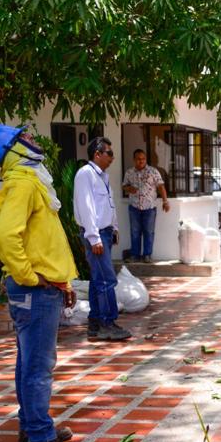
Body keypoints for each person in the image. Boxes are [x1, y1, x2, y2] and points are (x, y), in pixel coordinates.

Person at [0, 125, 86, 442]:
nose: (34, 141)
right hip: (34, 291)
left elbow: (38, 240)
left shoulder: (29, 182)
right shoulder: (23, 183)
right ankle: (40, 437)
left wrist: (59, 281)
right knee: (39, 365)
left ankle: (32, 426)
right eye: (26, 138)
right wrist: (31, 276)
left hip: (40, 289)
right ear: (12, 149)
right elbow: (6, 237)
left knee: (29, 361)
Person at [73, 136, 131, 341]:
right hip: (95, 234)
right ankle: (107, 323)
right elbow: (86, 208)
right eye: (109, 153)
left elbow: (108, 205)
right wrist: (94, 237)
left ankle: (95, 323)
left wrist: (113, 228)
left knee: (99, 280)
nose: (112, 158)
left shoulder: (102, 176)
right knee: (107, 280)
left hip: (104, 233)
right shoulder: (85, 174)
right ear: (97, 154)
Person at [122, 148, 169, 263]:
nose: (141, 161)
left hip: (149, 207)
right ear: (134, 160)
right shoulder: (129, 172)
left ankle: (147, 255)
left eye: (143, 159)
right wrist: (129, 189)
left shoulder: (153, 171)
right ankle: (135, 255)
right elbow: (124, 186)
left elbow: (161, 186)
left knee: (149, 232)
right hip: (134, 207)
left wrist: (165, 201)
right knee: (135, 232)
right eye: (138, 159)